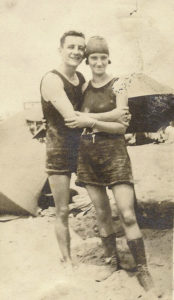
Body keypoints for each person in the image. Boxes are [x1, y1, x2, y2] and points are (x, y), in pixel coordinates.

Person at [65, 36, 154, 291]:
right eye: (94, 58)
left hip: (115, 153)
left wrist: (90, 121)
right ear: (87, 61)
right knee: (102, 214)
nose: (99, 62)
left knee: (126, 213)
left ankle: (143, 269)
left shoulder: (119, 85)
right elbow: (75, 119)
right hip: (88, 155)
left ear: (108, 59)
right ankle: (110, 262)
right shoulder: (82, 89)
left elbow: (121, 126)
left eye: (103, 57)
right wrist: (96, 119)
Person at [40, 31, 130, 267]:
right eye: (71, 47)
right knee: (62, 210)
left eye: (81, 48)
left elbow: (89, 114)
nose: (76, 52)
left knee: (101, 206)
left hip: (82, 150)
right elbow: (73, 119)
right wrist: (116, 114)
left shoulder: (80, 79)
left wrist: (117, 115)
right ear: (60, 50)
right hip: (58, 151)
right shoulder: (52, 79)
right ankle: (67, 260)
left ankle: (112, 256)